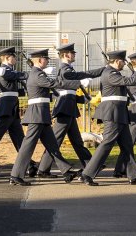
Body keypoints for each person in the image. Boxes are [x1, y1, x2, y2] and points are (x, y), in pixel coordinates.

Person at [77, 49, 136, 185]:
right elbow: (127, 80)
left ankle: (134, 176)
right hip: (113, 113)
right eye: (123, 61)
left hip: (120, 113)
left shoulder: (112, 72)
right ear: (117, 61)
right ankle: (87, 174)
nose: (124, 63)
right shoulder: (110, 73)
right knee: (107, 144)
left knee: (127, 146)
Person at [9, 48, 82, 185]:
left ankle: (66, 171)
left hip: (41, 114)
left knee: (52, 145)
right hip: (36, 114)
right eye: (46, 59)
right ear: (40, 60)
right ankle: (16, 175)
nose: (48, 61)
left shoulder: (38, 73)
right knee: (28, 146)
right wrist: (76, 83)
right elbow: (54, 84)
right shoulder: (37, 74)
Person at [36, 43, 103, 178]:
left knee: (77, 141)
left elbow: (71, 93)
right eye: (72, 53)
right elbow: (74, 78)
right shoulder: (65, 69)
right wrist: (87, 77)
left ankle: (91, 164)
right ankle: (43, 169)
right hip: (64, 108)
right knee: (55, 141)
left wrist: (87, 99)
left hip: (69, 107)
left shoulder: (68, 69)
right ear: (66, 55)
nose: (74, 55)